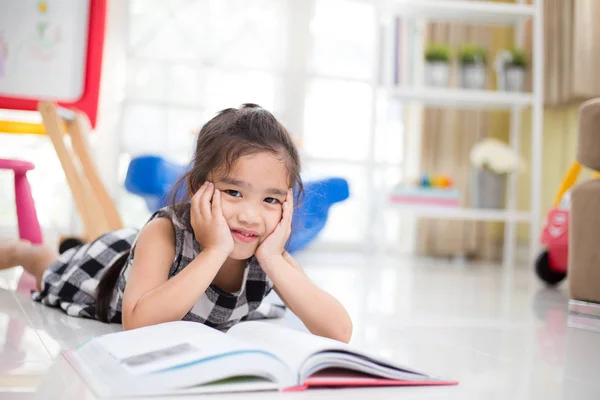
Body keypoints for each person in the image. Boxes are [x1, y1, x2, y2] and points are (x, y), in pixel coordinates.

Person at [0, 104, 353, 343]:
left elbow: (339, 331)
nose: (250, 215)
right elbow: (136, 324)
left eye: (271, 200)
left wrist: (275, 260)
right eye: (233, 192)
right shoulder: (164, 232)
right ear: (200, 188)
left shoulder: (266, 251)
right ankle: (25, 251)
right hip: (108, 268)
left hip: (140, 257)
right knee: (49, 267)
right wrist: (214, 251)